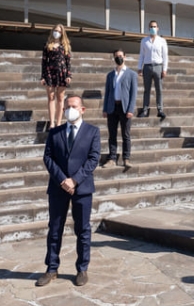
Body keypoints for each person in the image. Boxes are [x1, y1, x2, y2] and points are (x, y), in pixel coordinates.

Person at [36, 95, 101, 287]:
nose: (69, 110)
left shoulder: (92, 132)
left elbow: (93, 158)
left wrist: (75, 180)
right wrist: (62, 179)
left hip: (82, 188)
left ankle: (82, 268)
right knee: (55, 229)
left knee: (83, 230)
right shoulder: (55, 132)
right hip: (58, 187)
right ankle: (51, 268)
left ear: (82, 109)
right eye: (66, 107)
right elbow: (48, 158)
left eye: (73, 106)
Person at [102, 49, 138, 168]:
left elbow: (133, 93)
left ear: (125, 57)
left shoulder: (131, 74)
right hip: (112, 107)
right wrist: (105, 108)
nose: (119, 58)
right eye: (117, 56)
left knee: (125, 135)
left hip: (125, 108)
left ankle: (126, 158)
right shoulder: (110, 75)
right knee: (112, 134)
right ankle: (112, 158)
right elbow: (107, 93)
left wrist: (130, 109)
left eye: (121, 56)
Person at [40, 24, 71, 129]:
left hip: (62, 72)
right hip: (50, 72)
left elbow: (68, 62)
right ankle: (52, 122)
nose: (56, 32)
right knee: (51, 97)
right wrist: (43, 76)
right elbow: (44, 61)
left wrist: (68, 75)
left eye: (58, 31)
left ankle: (58, 122)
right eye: (55, 30)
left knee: (60, 98)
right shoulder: (47, 45)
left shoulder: (65, 45)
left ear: (62, 33)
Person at [137, 20, 168, 119]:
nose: (153, 28)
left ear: (158, 28)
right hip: (147, 66)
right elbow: (141, 55)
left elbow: (165, 56)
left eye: (154, 26)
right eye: (151, 26)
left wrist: (165, 69)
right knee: (147, 90)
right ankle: (145, 110)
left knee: (159, 89)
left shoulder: (162, 41)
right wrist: (139, 67)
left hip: (158, 66)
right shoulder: (144, 41)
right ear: (148, 28)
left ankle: (160, 109)